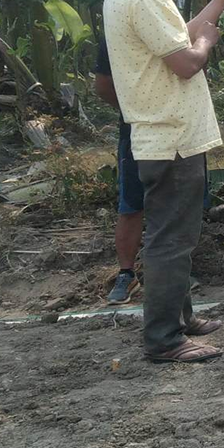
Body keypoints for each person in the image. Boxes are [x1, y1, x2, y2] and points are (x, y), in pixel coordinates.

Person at [102, 0, 224, 363]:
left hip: (169, 133)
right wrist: (209, 43)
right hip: (170, 135)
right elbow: (186, 59)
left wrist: (219, 0)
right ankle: (164, 338)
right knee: (170, 240)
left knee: (174, 235)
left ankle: (181, 319)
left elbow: (180, 36)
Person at [92, 39, 145, 305]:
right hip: (135, 131)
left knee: (177, 203)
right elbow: (103, 86)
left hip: (177, 129)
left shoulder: (173, 24)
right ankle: (127, 273)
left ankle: (177, 270)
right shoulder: (114, 35)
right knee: (132, 204)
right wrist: (133, 111)